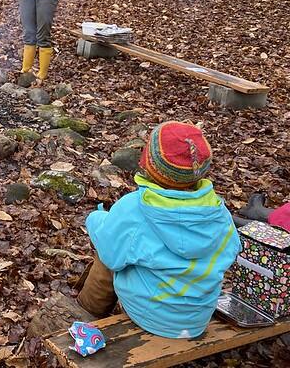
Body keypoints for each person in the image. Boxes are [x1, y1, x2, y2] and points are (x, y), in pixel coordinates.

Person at [28, 121, 241, 339]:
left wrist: (95, 218)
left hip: (152, 317)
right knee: (128, 247)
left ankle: (85, 311)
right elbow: (232, 250)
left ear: (150, 164)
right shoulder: (217, 210)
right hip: (197, 318)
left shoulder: (135, 207)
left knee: (108, 255)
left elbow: (111, 253)